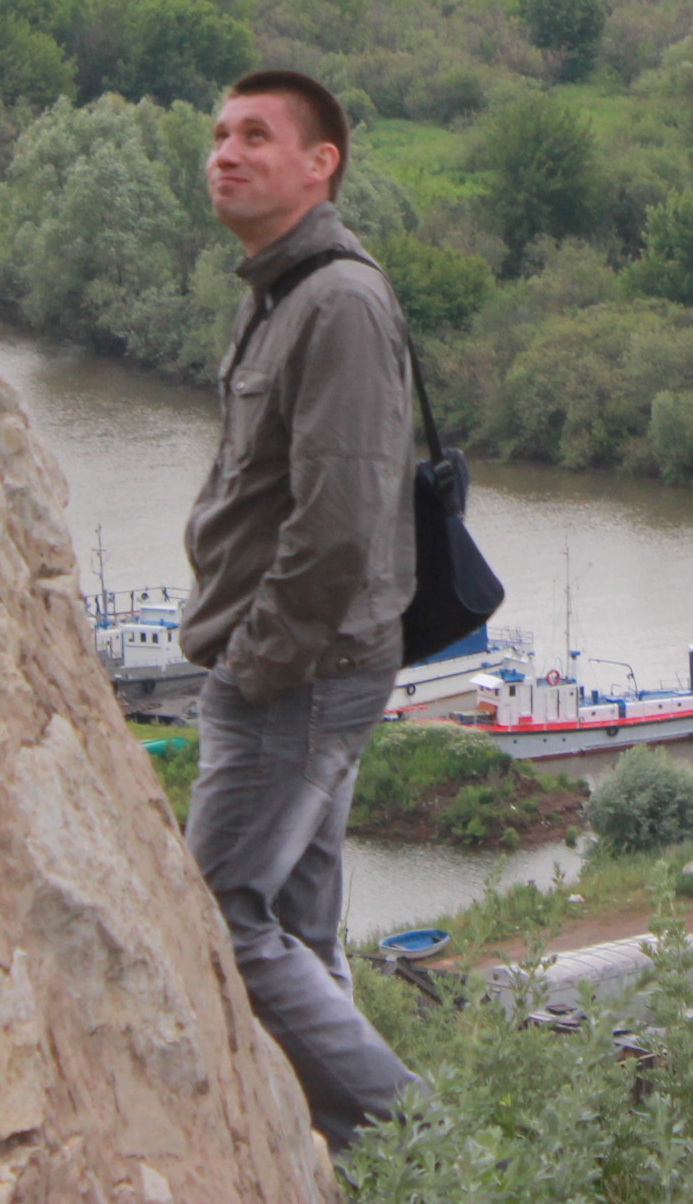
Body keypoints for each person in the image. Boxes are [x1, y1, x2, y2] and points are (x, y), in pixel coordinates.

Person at [179, 68, 420, 1151]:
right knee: (297, 929)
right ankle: (342, 1160)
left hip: (299, 673)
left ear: (321, 164)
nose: (226, 154)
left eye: (255, 136)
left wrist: (256, 662)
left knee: (220, 918)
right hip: (298, 664)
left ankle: (424, 1151)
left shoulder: (338, 303)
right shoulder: (280, 291)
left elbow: (338, 523)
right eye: (220, 135)